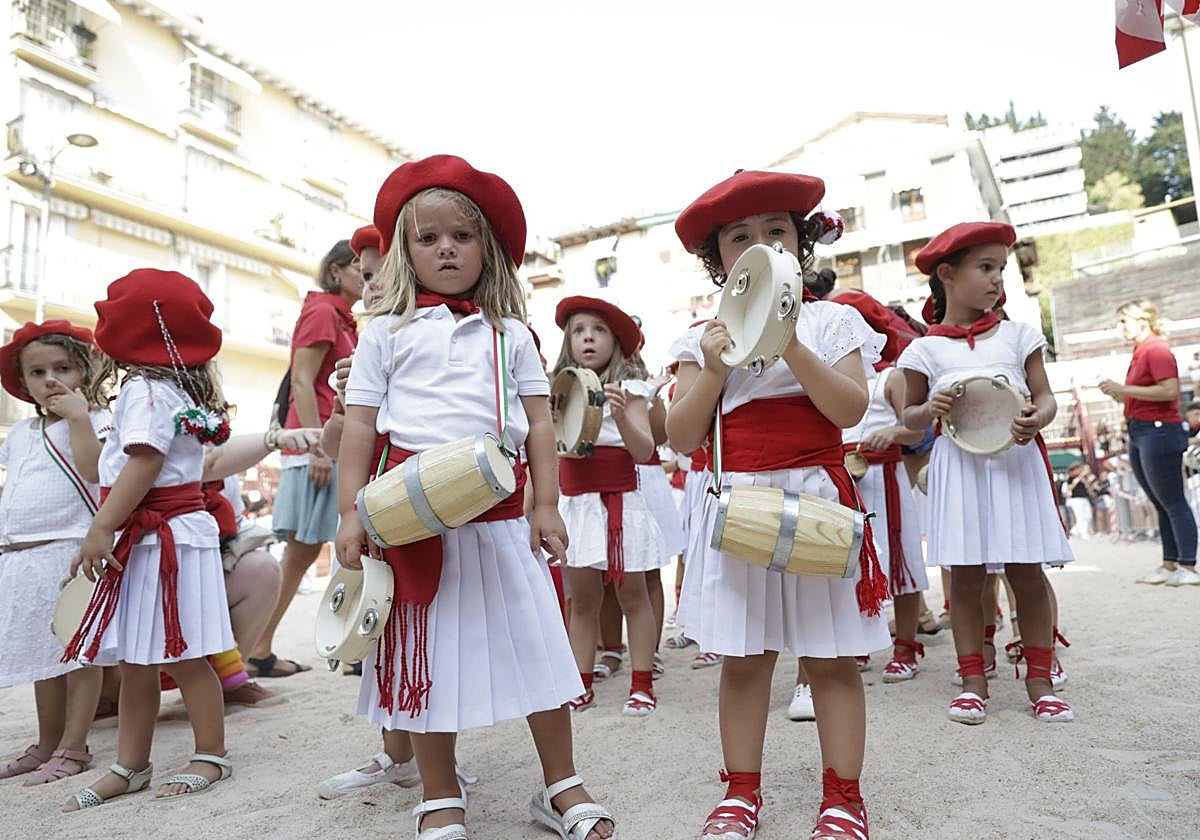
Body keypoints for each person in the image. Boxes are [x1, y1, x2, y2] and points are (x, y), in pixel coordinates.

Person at [335, 155, 615, 839]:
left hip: (496, 521)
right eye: (427, 238)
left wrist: (545, 504)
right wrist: (351, 512)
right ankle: (439, 793)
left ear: (486, 247)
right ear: (404, 250)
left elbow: (542, 423)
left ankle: (560, 785)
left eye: (460, 235)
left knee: (538, 648)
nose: (445, 249)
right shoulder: (384, 334)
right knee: (427, 654)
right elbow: (361, 428)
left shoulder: (510, 334)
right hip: (411, 520)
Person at [667, 169, 890, 840]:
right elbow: (679, 436)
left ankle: (844, 798)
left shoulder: (832, 320)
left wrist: (789, 337)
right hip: (740, 507)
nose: (760, 244)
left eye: (776, 231)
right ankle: (740, 794)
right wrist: (712, 368)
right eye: (740, 236)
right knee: (745, 658)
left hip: (818, 498)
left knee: (830, 657)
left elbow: (850, 408)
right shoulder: (699, 336)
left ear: (800, 245)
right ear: (719, 260)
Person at [61, 269, 236, 809]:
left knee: (183, 654)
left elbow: (144, 460)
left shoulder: (143, 389)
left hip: (165, 539)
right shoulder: (166, 388)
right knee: (139, 656)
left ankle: (212, 753)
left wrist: (100, 527)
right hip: (156, 537)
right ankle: (130, 764)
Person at [897, 221, 1074, 725]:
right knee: (967, 580)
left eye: (1002, 268)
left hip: (1016, 465)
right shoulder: (924, 350)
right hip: (961, 471)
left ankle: (1040, 679)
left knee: (1026, 573)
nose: (998, 279)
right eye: (986, 267)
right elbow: (908, 422)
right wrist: (929, 406)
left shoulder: (1020, 336)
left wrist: (1036, 418)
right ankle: (973, 680)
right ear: (948, 274)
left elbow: (1045, 398)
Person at [0, 321, 108, 786]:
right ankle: (46, 743)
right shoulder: (22, 432)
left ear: (84, 371)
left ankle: (75, 745)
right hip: (24, 556)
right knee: (46, 658)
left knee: (77, 655)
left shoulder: (97, 419)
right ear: (23, 382)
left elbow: (95, 470)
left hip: (69, 551)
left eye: (63, 368)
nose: (51, 380)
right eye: (38, 371)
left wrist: (81, 418)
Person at [250, 240, 364, 676]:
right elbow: (302, 378)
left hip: (323, 440)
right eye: (360, 269)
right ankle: (258, 646)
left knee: (311, 550)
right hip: (317, 443)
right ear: (336, 271)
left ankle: (261, 646)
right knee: (305, 550)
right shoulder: (323, 312)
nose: (366, 277)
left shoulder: (340, 317)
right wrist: (318, 445)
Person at [554, 296, 665, 716]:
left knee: (632, 593)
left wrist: (620, 418)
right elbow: (552, 452)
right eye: (580, 330)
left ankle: (641, 683)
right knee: (581, 599)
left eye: (598, 330)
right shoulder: (558, 389)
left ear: (615, 342)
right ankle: (579, 682)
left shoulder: (630, 389)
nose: (588, 337)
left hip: (621, 504)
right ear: (569, 341)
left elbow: (644, 450)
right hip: (577, 505)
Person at [833, 291, 930, 684]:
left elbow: (917, 428)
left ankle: (905, 646)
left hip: (885, 479)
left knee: (902, 560)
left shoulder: (890, 376)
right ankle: (857, 643)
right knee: (847, 564)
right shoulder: (829, 377)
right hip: (843, 482)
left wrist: (890, 432)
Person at [1100, 299, 1200, 585]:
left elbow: (1169, 391)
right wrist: (1122, 393)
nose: (1120, 327)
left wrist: (1124, 390)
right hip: (1143, 429)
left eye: (1123, 321)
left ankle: (1188, 565)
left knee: (1172, 500)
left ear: (1141, 321)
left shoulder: (1155, 349)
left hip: (1158, 430)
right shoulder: (1143, 350)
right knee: (1161, 501)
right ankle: (1171, 563)